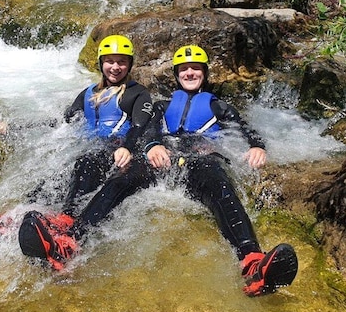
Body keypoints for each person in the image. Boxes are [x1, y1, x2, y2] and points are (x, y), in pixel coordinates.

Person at [142, 45, 298, 296]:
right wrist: (153, 145)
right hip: (165, 162)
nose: (190, 73)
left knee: (220, 186)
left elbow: (244, 128)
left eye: (195, 68)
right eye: (184, 69)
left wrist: (257, 146)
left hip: (202, 163)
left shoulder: (218, 107)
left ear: (204, 73)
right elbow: (147, 131)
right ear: (176, 74)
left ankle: (252, 263)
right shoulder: (162, 106)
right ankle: (71, 237)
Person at [16, 34, 156, 271]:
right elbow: (63, 121)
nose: (115, 67)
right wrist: (12, 127)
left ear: (130, 64)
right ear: (101, 63)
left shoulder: (138, 93)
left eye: (121, 61)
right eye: (110, 61)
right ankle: (15, 218)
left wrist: (127, 148)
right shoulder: (88, 93)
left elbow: (140, 125)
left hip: (120, 150)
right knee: (65, 170)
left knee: (89, 164)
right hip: (94, 150)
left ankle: (67, 233)